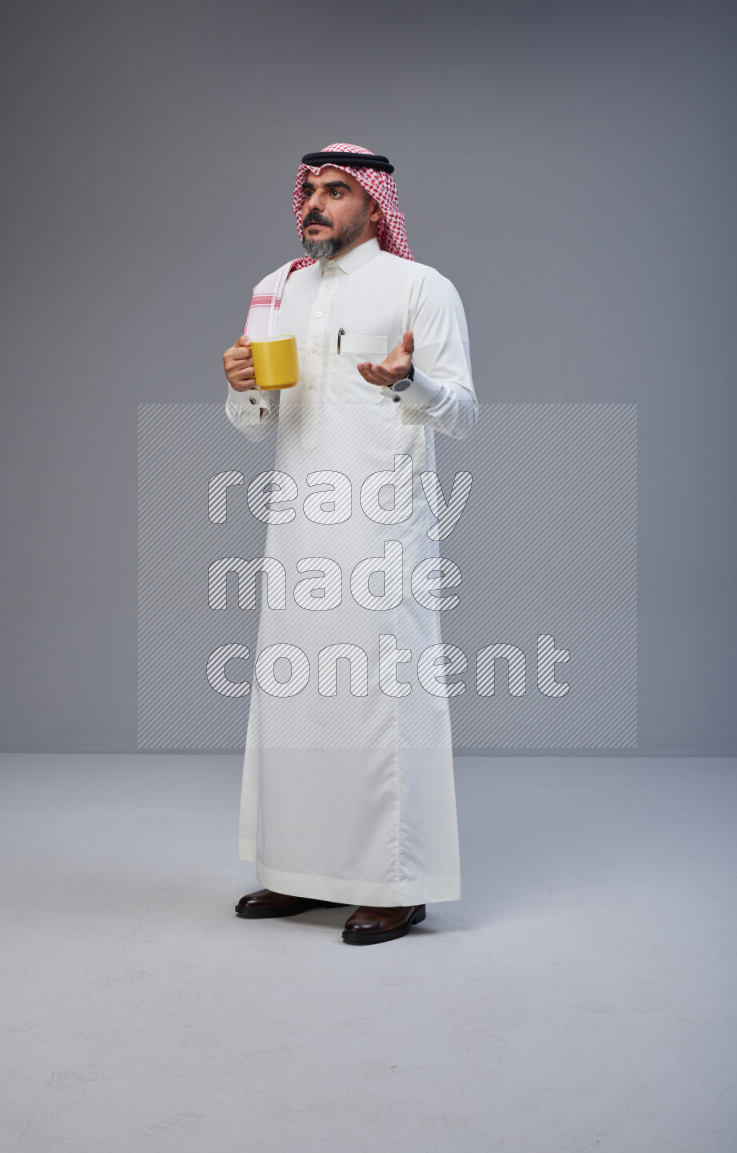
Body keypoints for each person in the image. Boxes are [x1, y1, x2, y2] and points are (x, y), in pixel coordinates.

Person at [222, 143, 477, 945]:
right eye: (310, 189)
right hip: (296, 524)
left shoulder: (419, 287)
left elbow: (463, 412)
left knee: (378, 702)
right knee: (296, 696)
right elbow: (259, 423)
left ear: (373, 203)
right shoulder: (279, 288)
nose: (316, 204)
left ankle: (395, 886)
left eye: (336, 190)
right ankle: (298, 872)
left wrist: (407, 380)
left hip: (382, 529)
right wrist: (241, 388)